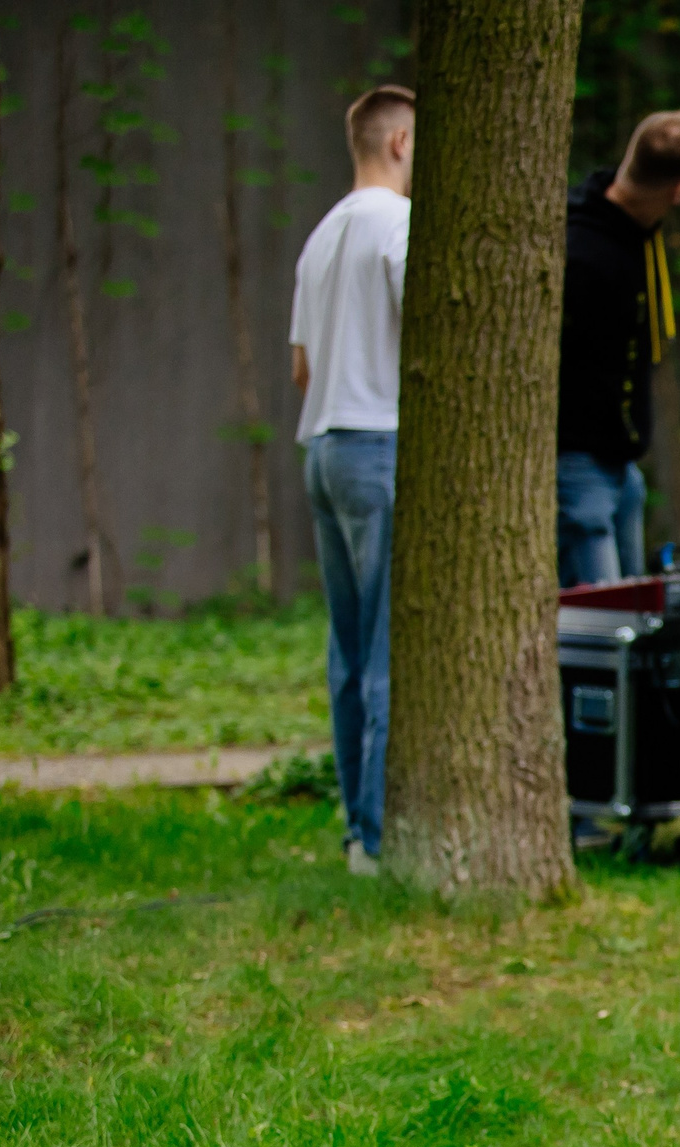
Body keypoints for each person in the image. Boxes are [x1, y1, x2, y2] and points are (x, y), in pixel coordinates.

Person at [289, 86, 414, 878]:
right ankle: (374, 837)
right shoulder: (397, 227)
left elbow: (300, 365)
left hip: (324, 446)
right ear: (400, 143)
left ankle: (352, 826)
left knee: (346, 650)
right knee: (383, 652)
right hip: (379, 441)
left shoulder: (320, 236)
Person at [558, 111, 680, 587]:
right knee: (602, 619)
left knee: (636, 607)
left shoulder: (636, 230)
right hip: (578, 459)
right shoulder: (580, 251)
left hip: (621, 463)